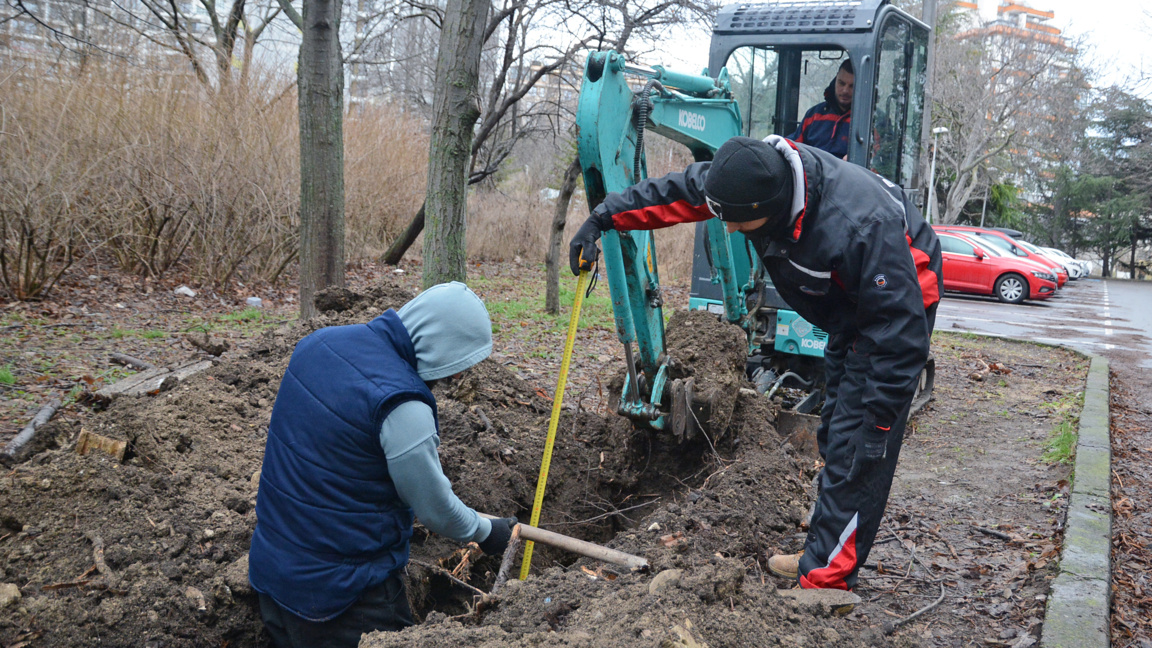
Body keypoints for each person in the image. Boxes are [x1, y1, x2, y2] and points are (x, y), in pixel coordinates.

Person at [569, 136, 942, 596]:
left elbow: (900, 336)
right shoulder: (747, 173)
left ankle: (826, 584)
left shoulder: (860, 225)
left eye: (739, 223)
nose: (728, 231)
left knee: (859, 442)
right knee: (834, 430)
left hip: (898, 300)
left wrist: (881, 423)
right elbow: (675, 193)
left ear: (773, 204)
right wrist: (601, 218)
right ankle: (821, 554)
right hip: (849, 305)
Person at [249, 282, 518, 647]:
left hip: (272, 571)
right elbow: (436, 510)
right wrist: (487, 531)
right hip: (344, 600)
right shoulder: (402, 406)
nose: (455, 378)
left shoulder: (319, 343)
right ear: (442, 348)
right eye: (458, 366)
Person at [789, 59, 854, 158]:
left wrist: (854, 159)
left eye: (852, 86)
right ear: (835, 79)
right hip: (812, 171)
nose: (845, 90)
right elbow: (793, 146)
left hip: (851, 172)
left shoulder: (871, 123)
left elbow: (879, 161)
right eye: (841, 83)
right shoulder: (814, 115)